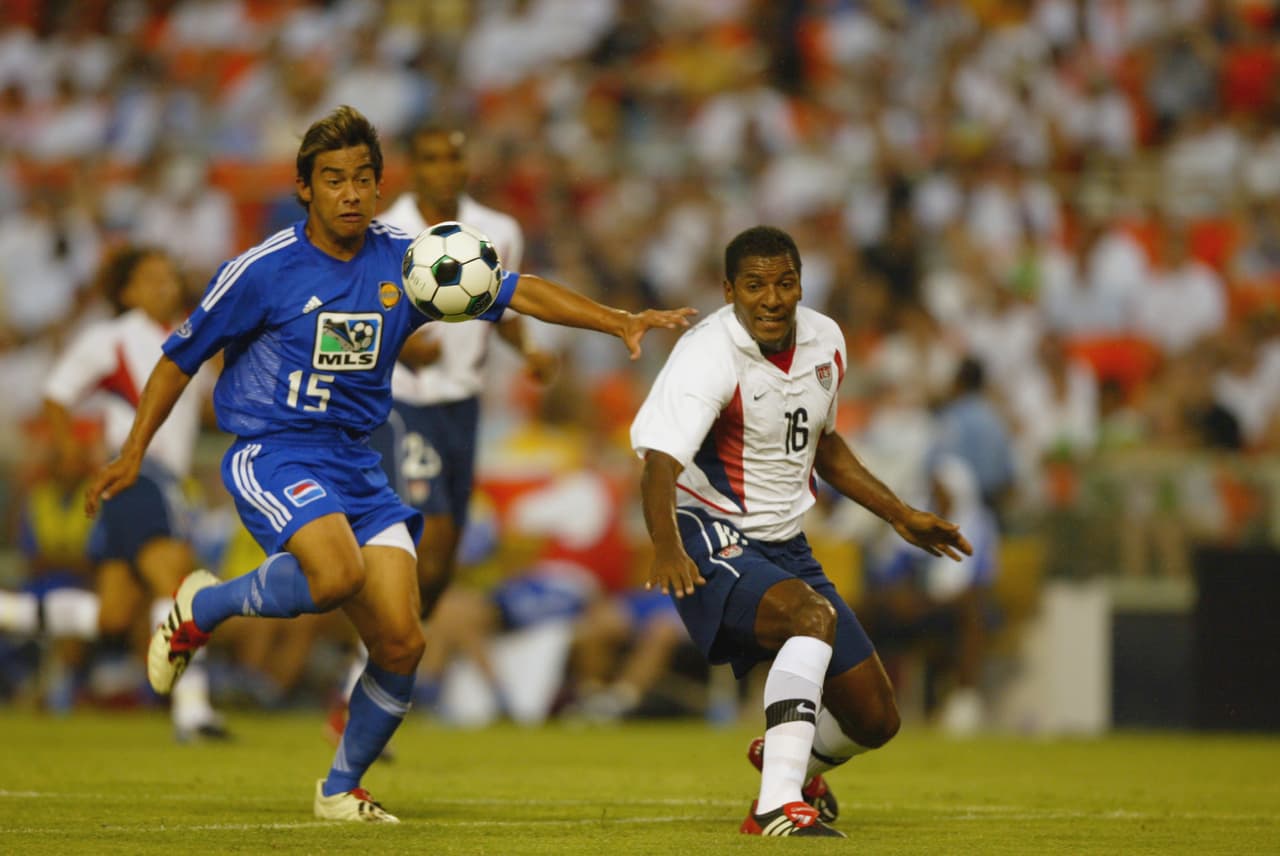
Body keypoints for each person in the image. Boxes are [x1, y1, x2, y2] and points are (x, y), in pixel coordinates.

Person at [86, 105, 693, 824]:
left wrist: (617, 320)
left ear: (379, 185)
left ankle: (340, 789)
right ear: (305, 188)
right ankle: (203, 607)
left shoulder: (412, 262)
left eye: (363, 178)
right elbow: (177, 359)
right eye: (333, 179)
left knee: (403, 641)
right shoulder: (262, 270)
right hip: (273, 449)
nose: (350, 193)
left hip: (358, 460)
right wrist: (133, 452)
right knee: (336, 575)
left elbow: (516, 288)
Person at [631, 226, 971, 838]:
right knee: (811, 618)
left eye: (785, 283)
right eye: (755, 285)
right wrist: (667, 546)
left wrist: (899, 514)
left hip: (786, 545)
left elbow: (825, 446)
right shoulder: (707, 353)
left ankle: (793, 762)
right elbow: (659, 463)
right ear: (728, 290)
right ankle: (775, 806)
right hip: (710, 534)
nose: (771, 298)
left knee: (875, 720)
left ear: (800, 285)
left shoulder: (826, 340)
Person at [326, 121, 555, 742]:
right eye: (430, 159)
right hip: (402, 403)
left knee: (441, 568)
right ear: (413, 167)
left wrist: (529, 351)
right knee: (428, 540)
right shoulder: (384, 232)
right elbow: (345, 316)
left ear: (464, 165)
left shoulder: (499, 230)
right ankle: (362, 687)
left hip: (463, 404)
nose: (443, 170)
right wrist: (399, 349)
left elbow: (502, 304)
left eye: (452, 158)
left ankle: (361, 676)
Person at [0, 246, 226, 739]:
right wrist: (68, 449)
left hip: (166, 481)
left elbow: (208, 409)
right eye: (152, 278)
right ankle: (193, 711)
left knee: (113, 614)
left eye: (170, 277)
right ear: (127, 291)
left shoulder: (189, 335)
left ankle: (7, 610)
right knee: (176, 581)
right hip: (139, 474)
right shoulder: (111, 338)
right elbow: (57, 392)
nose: (166, 286)